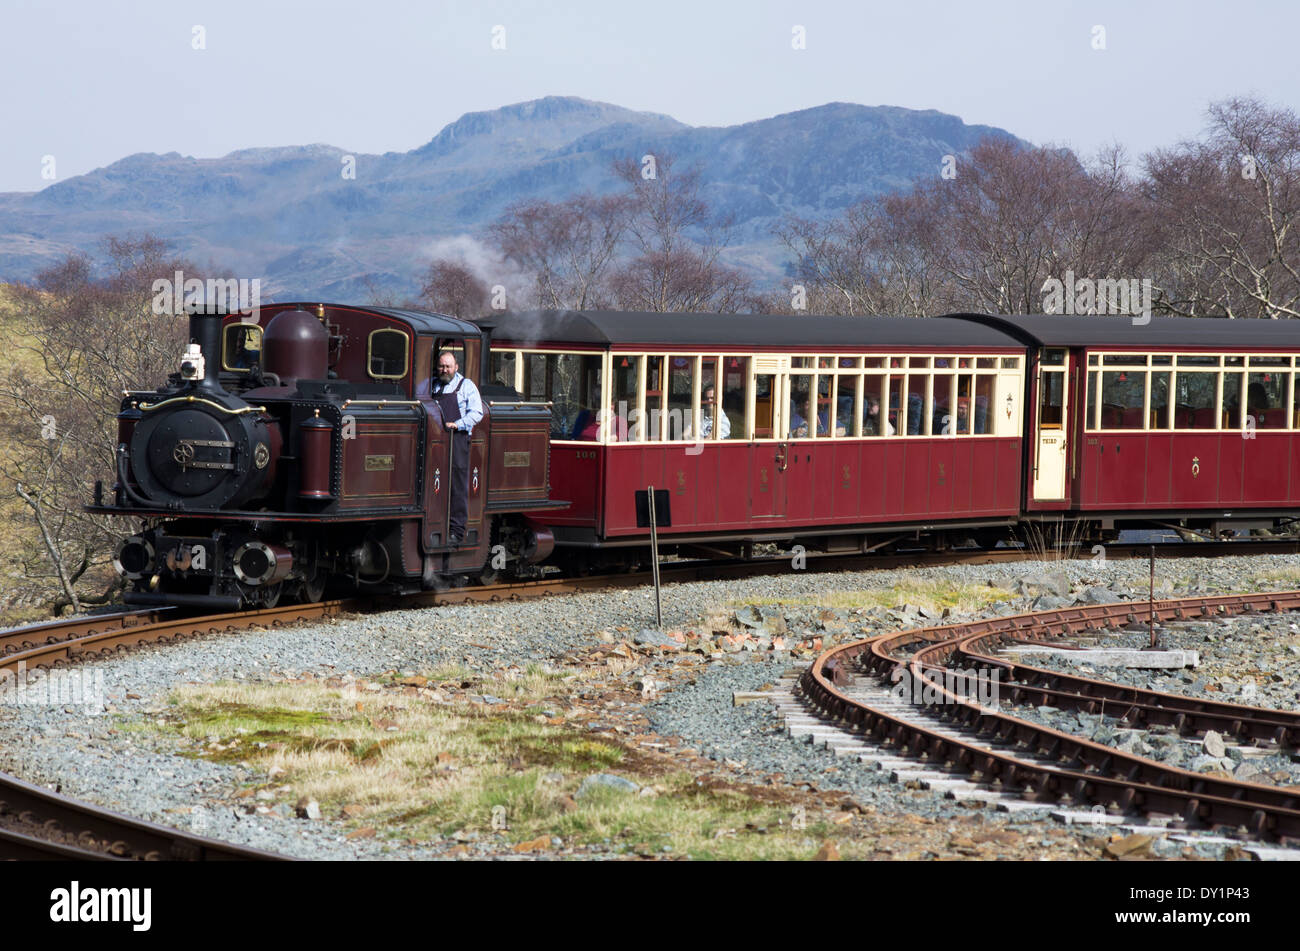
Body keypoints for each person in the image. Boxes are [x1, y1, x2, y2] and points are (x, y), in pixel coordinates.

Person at [431, 350, 483, 546]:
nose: (444, 370)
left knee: (457, 485)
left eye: (448, 366)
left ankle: (457, 531)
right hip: (435, 440)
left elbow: (477, 412)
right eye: (441, 366)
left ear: (456, 367)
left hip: (457, 439)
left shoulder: (466, 386)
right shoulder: (433, 384)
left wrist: (458, 424)